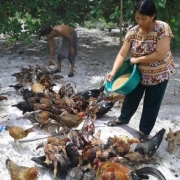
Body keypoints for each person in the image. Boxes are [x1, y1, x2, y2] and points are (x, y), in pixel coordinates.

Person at [106, 0, 176, 141]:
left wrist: (136, 60)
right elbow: (122, 53)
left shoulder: (162, 28)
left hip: (159, 74)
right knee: (131, 98)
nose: (140, 21)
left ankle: (144, 131)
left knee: (151, 103)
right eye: (137, 18)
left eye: (143, 19)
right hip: (137, 74)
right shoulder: (132, 32)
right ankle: (123, 118)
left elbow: (160, 54)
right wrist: (113, 71)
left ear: (153, 16)